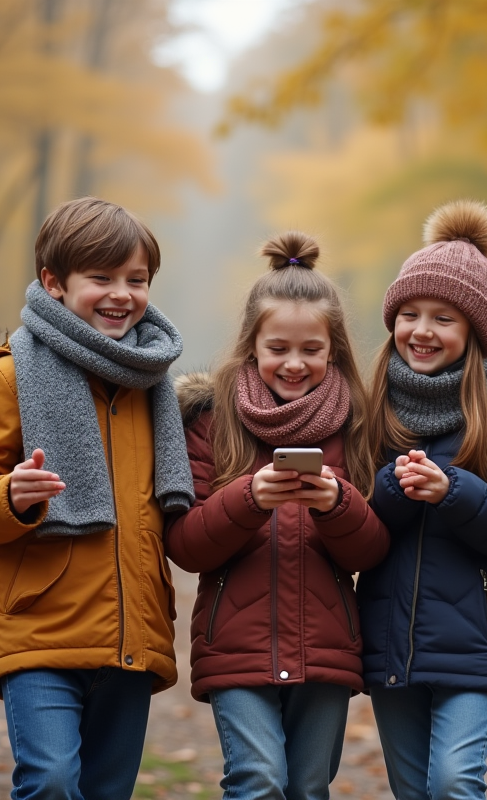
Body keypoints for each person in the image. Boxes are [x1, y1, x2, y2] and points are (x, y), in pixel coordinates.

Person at [0, 196, 194, 800]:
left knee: (108, 790)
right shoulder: (8, 376)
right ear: (54, 282)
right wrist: (12, 496)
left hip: (133, 630)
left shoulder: (151, 385)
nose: (120, 294)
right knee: (51, 780)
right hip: (38, 624)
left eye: (136, 280)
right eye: (100, 278)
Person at [165, 231, 389, 800]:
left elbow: (372, 552)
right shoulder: (211, 422)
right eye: (278, 349)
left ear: (333, 351)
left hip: (327, 646)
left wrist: (337, 506)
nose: (294, 363)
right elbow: (186, 545)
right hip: (234, 645)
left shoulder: (358, 427)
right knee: (258, 780)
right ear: (252, 347)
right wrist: (247, 499)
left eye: (311, 350)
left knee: (308, 788)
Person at [357, 199, 487, 800]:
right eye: (410, 313)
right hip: (391, 637)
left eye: (443, 318)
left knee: (453, 781)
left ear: (474, 331)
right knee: (412, 789)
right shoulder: (372, 410)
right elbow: (352, 525)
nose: (422, 331)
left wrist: (456, 491)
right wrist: (395, 489)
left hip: (480, 638)